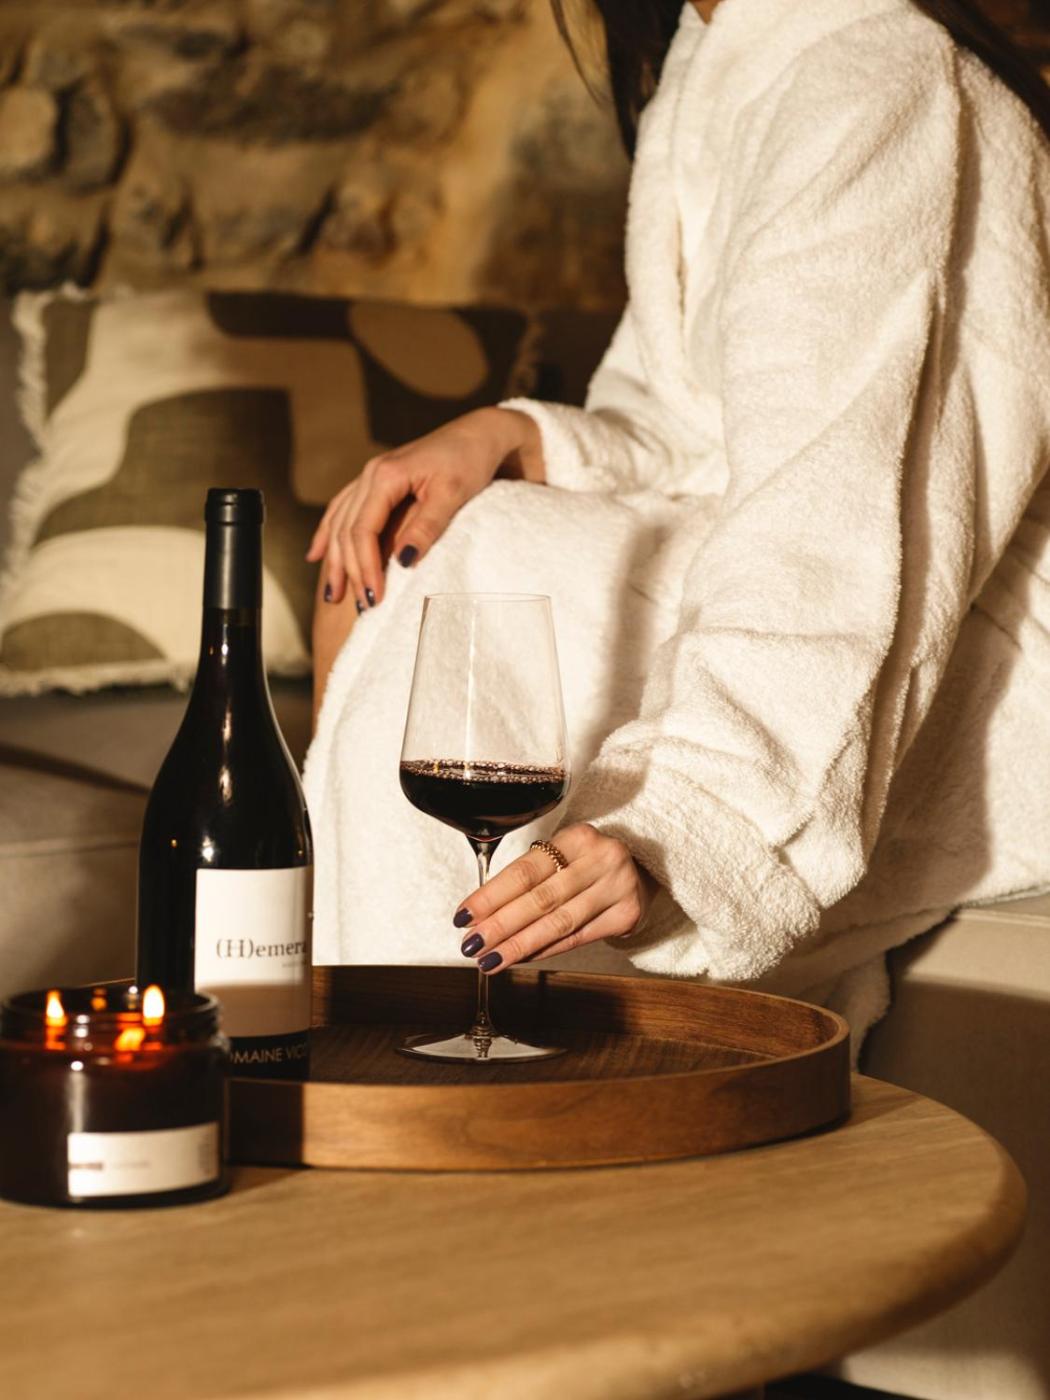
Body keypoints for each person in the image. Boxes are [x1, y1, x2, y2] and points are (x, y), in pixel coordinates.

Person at [304, 0, 1050, 1039]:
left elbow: (831, 520)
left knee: (485, 558)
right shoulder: (716, 56)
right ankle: (396, 1041)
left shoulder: (877, 74)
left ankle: (406, 1066)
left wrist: (682, 825)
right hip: (810, 568)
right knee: (403, 552)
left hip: (970, 649)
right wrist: (514, 436)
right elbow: (696, 425)